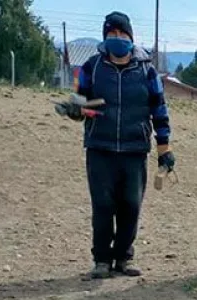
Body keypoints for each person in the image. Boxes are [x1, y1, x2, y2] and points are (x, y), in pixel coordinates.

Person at [64, 11, 174, 279]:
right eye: (111, 34)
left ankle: (123, 258)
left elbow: (159, 111)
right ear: (105, 37)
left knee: (131, 205)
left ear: (130, 37)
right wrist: (75, 110)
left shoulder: (147, 70)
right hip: (100, 147)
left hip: (135, 150)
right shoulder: (92, 67)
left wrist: (164, 149)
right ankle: (101, 260)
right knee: (102, 205)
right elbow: (80, 103)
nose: (117, 38)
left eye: (121, 34)